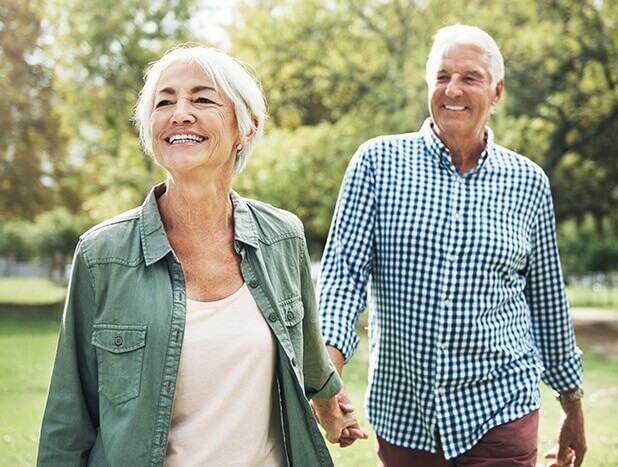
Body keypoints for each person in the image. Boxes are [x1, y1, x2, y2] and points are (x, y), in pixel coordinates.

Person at [37, 45, 364, 466]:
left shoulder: (283, 236)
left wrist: (328, 403)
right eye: (165, 101)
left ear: (246, 128)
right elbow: (68, 419)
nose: (180, 113)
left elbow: (306, 352)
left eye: (203, 99)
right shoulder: (102, 256)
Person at [316, 25, 586, 467]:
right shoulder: (376, 163)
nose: (452, 89)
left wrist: (572, 408)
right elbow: (342, 278)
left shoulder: (528, 182)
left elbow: (548, 305)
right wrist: (329, 380)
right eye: (442, 76)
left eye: (470, 78)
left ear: (496, 92)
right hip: (404, 415)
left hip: (503, 409)